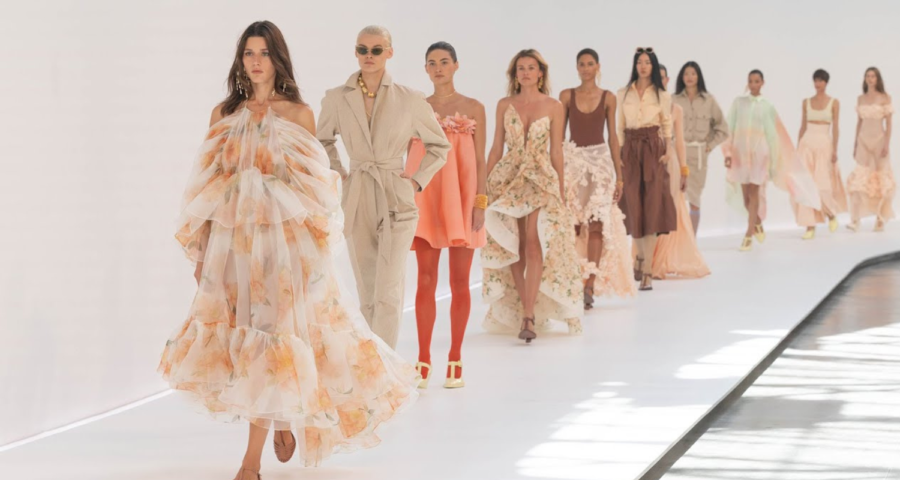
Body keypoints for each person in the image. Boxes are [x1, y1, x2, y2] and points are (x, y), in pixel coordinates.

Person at [158, 22, 419, 480]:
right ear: (240, 60)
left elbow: (314, 190)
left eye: (264, 53)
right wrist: (203, 255)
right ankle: (280, 418)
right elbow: (208, 187)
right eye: (249, 53)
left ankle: (249, 463)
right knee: (249, 338)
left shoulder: (298, 114)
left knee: (272, 337)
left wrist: (312, 256)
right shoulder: (224, 114)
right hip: (234, 249)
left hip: (283, 253)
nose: (256, 61)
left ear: (278, 58)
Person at [317, 25, 451, 348]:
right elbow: (321, 140)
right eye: (362, 49)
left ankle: (385, 365)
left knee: (388, 290)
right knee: (367, 290)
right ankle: (370, 365)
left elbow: (439, 146)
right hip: (358, 193)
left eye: (377, 50)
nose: (369, 55)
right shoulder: (336, 98)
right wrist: (340, 174)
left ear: (389, 52)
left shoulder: (410, 99)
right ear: (355, 52)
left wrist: (416, 180)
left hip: (396, 196)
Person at [482, 49, 583, 343]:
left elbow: (556, 150)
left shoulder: (554, 106)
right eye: (521, 68)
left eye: (531, 67)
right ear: (515, 75)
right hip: (509, 177)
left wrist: (560, 188)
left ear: (540, 73)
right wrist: (483, 185)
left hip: (540, 177)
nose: (525, 72)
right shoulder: (504, 104)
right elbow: (496, 147)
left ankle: (528, 315)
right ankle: (526, 308)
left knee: (533, 243)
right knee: (515, 244)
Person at [404, 42, 487, 389]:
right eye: (431, 63)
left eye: (444, 62)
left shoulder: (474, 108)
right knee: (425, 279)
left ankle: (455, 358)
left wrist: (480, 202)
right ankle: (423, 359)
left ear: (456, 65)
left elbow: (480, 159)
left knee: (459, 281)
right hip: (426, 198)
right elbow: (407, 155)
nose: (438, 68)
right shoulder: (416, 108)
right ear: (425, 69)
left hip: (463, 198)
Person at [560, 48, 635, 309]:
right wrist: (557, 171)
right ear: (577, 67)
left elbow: (613, 137)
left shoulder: (608, 97)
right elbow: (558, 137)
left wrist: (619, 177)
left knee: (596, 223)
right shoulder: (566, 96)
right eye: (581, 64)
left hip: (600, 163)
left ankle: (589, 284)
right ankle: (572, 281)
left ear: (598, 67)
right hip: (573, 163)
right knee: (572, 224)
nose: (585, 68)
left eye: (590, 64)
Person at [723, 70, 820, 251]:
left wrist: (774, 160)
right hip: (740, 156)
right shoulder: (739, 103)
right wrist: (728, 154)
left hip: (760, 156)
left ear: (762, 83)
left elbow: (773, 135)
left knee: (754, 194)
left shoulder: (767, 106)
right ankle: (758, 223)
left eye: (757, 81)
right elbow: (729, 128)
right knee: (745, 199)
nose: (753, 84)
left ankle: (748, 235)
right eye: (750, 81)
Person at [616, 47, 676, 291]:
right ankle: (640, 257)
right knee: (633, 205)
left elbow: (666, 125)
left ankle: (647, 269)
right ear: (635, 65)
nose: (643, 66)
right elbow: (619, 126)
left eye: (647, 62)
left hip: (653, 148)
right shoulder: (623, 93)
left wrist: (668, 150)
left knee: (651, 206)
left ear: (653, 66)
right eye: (639, 62)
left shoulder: (662, 95)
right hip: (630, 148)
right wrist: (619, 154)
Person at [645, 64, 710, 279]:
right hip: (648, 161)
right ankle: (646, 259)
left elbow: (679, 142)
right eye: (656, 77)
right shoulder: (643, 106)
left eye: (663, 77)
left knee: (668, 211)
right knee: (650, 210)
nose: (659, 81)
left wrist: (684, 170)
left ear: (667, 80)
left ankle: (659, 263)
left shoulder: (676, 109)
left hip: (670, 163)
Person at [671, 61, 729, 234]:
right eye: (686, 74)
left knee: (694, 200)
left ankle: (692, 240)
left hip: (698, 158)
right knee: (675, 199)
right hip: (677, 156)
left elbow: (723, 129)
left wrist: (709, 146)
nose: (689, 77)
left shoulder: (708, 100)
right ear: (681, 77)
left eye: (693, 73)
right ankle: (677, 241)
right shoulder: (673, 100)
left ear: (698, 77)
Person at [794, 69, 848, 238]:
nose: (817, 84)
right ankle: (809, 227)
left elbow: (836, 128)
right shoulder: (806, 102)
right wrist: (797, 148)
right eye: (815, 80)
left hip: (824, 144)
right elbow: (802, 126)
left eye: (821, 80)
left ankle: (831, 214)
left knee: (822, 184)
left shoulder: (834, 102)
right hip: (806, 144)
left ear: (826, 82)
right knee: (805, 186)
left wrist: (835, 149)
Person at [847, 67, 894, 232]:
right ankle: (855, 220)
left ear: (877, 78)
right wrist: (855, 144)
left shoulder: (885, 97)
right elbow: (859, 123)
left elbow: (889, 125)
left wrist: (887, 144)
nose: (870, 78)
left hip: (879, 141)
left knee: (881, 179)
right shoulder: (861, 99)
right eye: (867, 76)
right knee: (859, 178)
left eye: (873, 76)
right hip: (863, 141)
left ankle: (880, 218)